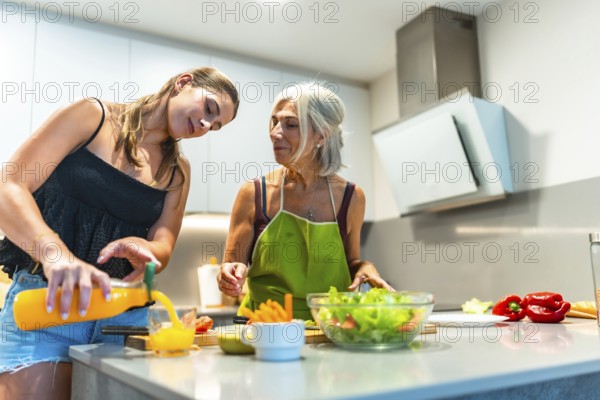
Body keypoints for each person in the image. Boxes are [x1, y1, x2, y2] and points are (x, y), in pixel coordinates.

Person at [0, 67, 239, 398]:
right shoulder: (92, 117)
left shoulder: (177, 173)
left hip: (125, 322)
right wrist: (56, 256)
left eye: (214, 126)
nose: (204, 126)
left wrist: (146, 248)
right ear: (183, 83)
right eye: (209, 109)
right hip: (49, 306)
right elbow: (10, 185)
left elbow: (164, 244)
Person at [217, 82, 393, 321]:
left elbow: (351, 261)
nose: (274, 132)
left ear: (321, 135)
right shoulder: (254, 193)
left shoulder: (352, 197)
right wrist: (230, 274)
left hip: (331, 325)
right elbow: (233, 261)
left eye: (290, 124)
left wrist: (365, 266)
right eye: (274, 121)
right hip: (264, 325)